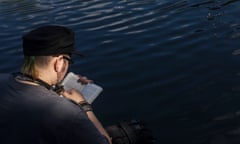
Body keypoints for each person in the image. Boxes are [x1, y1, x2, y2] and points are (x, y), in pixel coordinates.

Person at [0, 25, 112, 144]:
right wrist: (83, 105)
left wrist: (58, 87)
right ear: (59, 63)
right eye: (69, 61)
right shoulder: (68, 114)